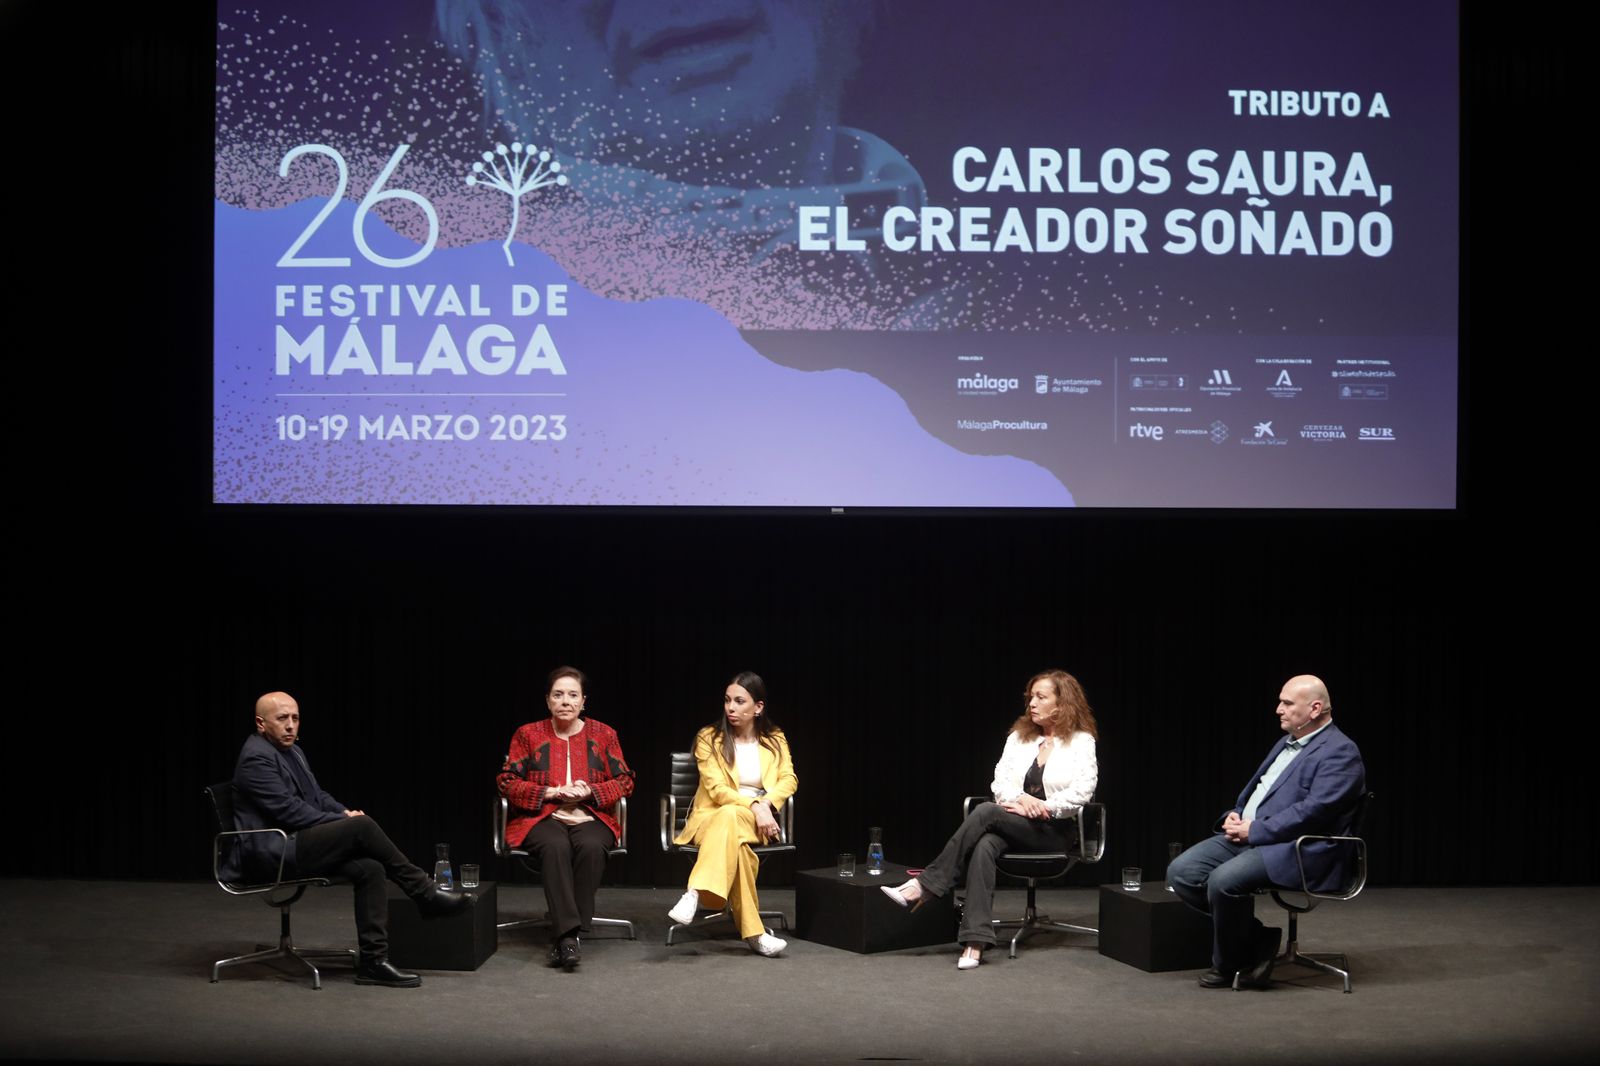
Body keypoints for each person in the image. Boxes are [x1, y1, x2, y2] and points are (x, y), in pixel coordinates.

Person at [221, 691, 465, 988]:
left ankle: (374, 962)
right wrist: (346, 822)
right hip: (270, 852)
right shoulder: (256, 758)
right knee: (361, 828)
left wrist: (342, 811)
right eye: (282, 718)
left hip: (295, 843)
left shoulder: (293, 752)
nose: (290, 726)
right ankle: (424, 893)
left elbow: (316, 797)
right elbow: (289, 812)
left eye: (295, 718)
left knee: (371, 868)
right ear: (261, 723)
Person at [882, 670, 1099, 969]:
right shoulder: (1019, 738)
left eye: (1041, 697)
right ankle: (975, 941)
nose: (1031, 703)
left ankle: (925, 886)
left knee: (983, 813)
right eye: (1030, 697)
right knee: (985, 844)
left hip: (1054, 830)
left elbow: (1083, 792)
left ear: (1062, 704)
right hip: (1016, 822)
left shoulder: (1081, 741)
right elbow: (1000, 783)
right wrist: (1020, 800)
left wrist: (1043, 807)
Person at [1167, 674, 1366, 990]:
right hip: (1254, 836)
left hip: (1299, 847)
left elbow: (1313, 813)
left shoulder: (1340, 752)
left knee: (1223, 881)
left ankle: (1230, 963)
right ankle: (1259, 937)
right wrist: (1234, 816)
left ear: (1315, 709)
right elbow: (1261, 792)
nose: (1278, 709)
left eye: (1287, 703)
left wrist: (1255, 830)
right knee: (1182, 873)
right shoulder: (1286, 743)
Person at [498, 666, 635, 971]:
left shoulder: (604, 734)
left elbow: (625, 781)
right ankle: (569, 937)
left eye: (573, 695)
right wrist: (550, 792)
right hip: (541, 816)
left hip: (591, 814)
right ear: (547, 700)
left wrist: (589, 794)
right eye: (558, 695)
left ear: (583, 701)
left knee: (590, 846)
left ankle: (566, 930)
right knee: (555, 846)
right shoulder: (527, 734)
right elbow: (506, 781)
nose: (565, 701)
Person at [667, 671, 797, 956]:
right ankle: (755, 934)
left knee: (732, 820)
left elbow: (789, 779)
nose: (731, 708)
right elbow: (716, 789)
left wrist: (765, 806)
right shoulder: (708, 738)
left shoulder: (774, 739)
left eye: (740, 701)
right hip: (711, 819)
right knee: (733, 833)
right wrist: (754, 805)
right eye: (727, 701)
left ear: (758, 708)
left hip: (758, 823)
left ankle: (695, 892)